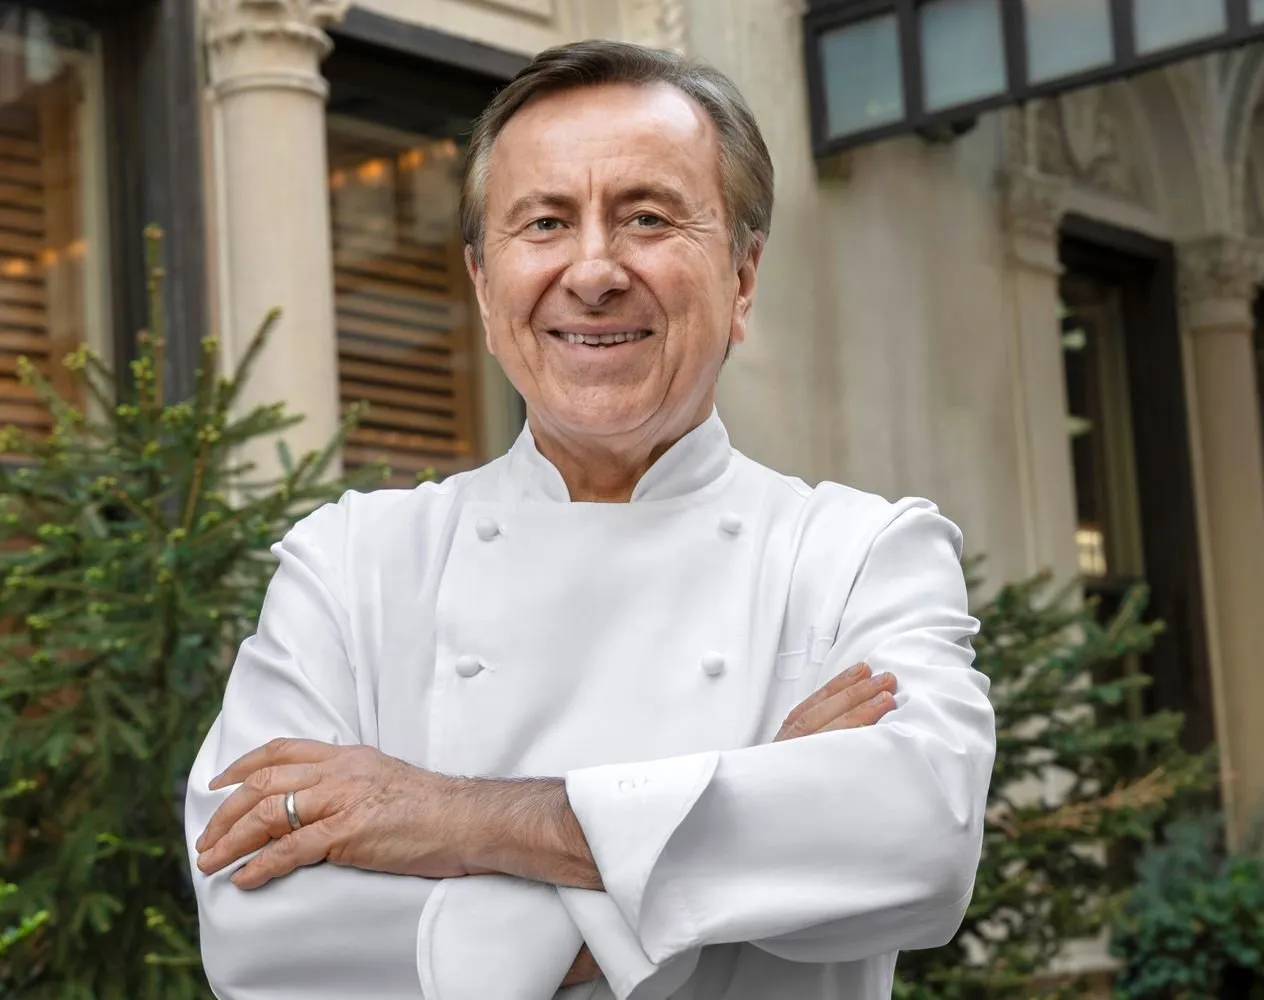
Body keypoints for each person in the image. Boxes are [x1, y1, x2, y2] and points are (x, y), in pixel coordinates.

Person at [185, 38, 996, 1000]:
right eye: (545, 223)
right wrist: (737, 838)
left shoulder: (860, 555)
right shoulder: (351, 563)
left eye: (647, 218)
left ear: (742, 278)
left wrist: (443, 816)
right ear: (484, 286)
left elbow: (918, 839)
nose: (595, 270)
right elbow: (255, 929)